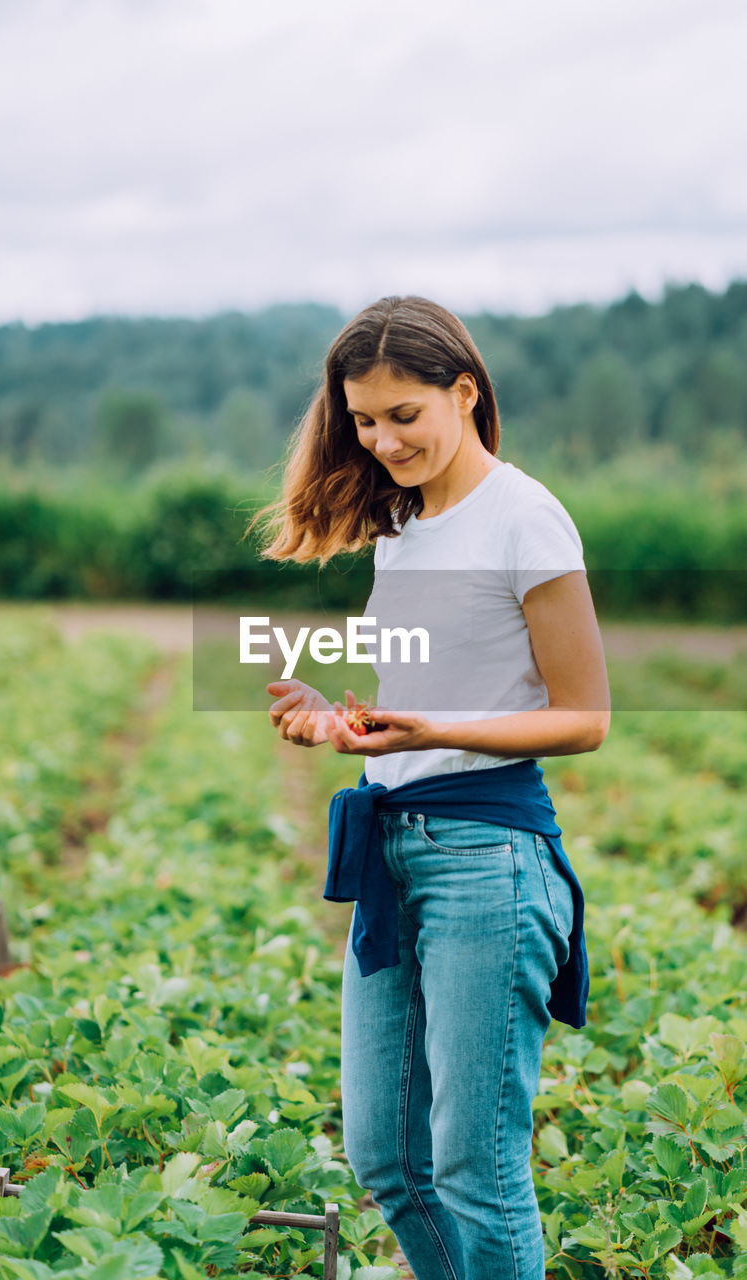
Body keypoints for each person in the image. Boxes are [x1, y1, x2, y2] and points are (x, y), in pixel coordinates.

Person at [253, 295, 610, 1280]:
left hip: (486, 860)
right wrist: (342, 721)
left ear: (464, 392)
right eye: (363, 420)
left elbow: (583, 715)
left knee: (475, 1168)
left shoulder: (524, 516)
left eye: (402, 415)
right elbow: (417, 705)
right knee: (388, 1157)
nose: (380, 440)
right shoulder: (402, 529)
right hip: (394, 847)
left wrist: (434, 729)